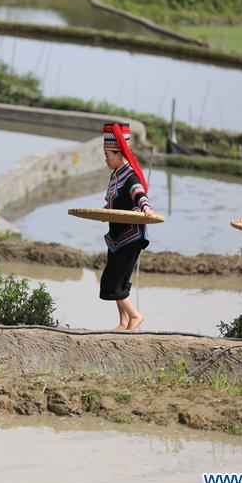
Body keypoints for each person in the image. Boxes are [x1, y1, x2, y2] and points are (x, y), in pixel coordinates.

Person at [98, 122, 155, 331]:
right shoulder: (116, 174)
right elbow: (116, 201)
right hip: (117, 236)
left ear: (119, 154)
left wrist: (146, 208)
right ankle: (124, 322)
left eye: (108, 155)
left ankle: (135, 315)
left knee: (110, 282)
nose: (106, 158)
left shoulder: (129, 175)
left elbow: (139, 194)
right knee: (119, 281)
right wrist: (105, 210)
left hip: (130, 237)